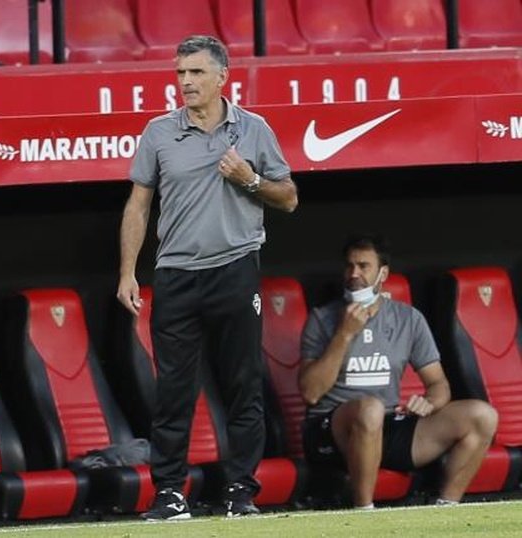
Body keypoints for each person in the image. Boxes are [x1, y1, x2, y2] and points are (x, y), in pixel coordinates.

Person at [117, 35, 298, 521]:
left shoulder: (254, 130)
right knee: (173, 390)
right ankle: (170, 493)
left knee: (243, 384)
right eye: (180, 73)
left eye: (195, 73)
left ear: (223, 77)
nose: (185, 82)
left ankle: (242, 491)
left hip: (235, 270)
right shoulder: (158, 132)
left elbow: (289, 197)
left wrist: (248, 179)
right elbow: (139, 204)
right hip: (175, 275)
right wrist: (128, 272)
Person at [298, 233, 498, 509]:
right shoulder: (323, 319)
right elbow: (310, 393)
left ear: (383, 273)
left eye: (363, 266)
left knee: (482, 416)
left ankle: (446, 508)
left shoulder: (408, 318)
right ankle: (364, 512)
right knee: (370, 409)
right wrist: (344, 335)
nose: (354, 273)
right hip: (330, 431)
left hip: (388, 424)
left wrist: (430, 402)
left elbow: (439, 384)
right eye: (349, 266)